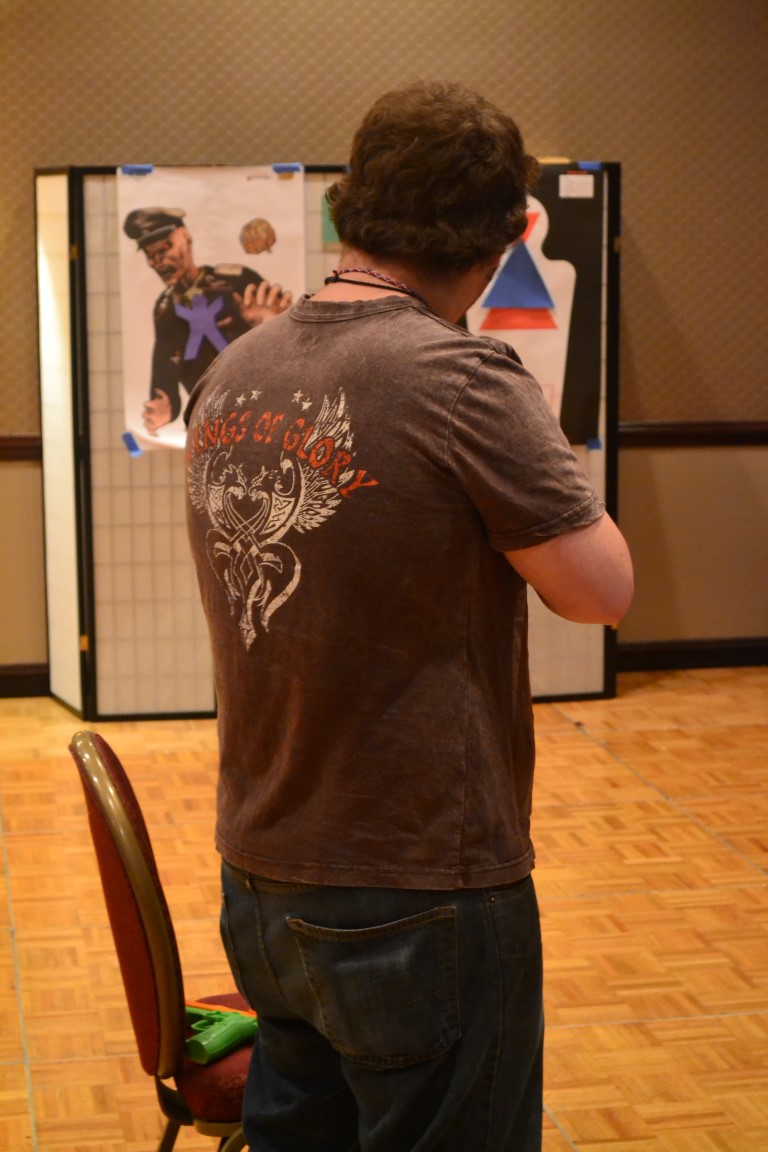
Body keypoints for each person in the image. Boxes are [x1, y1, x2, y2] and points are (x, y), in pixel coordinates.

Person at [185, 80, 633, 1152]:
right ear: (507, 236)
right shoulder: (460, 375)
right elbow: (602, 591)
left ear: (348, 208)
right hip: (417, 877)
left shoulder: (238, 368)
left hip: (262, 866)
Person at [123, 207, 291, 434]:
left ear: (185, 238)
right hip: (208, 424)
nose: (159, 261)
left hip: (258, 414)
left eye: (165, 248)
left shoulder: (237, 281)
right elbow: (164, 368)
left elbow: (289, 347)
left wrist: (271, 324)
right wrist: (166, 406)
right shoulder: (165, 310)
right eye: (150, 255)